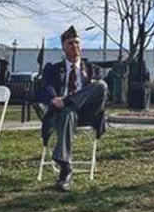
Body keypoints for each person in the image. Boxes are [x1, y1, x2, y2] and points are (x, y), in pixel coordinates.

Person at [37, 26, 107, 191]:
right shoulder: (52, 69)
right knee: (67, 112)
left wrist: (66, 100)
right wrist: (54, 98)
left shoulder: (92, 69)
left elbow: (99, 95)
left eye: (76, 42)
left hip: (88, 113)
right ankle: (65, 169)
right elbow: (45, 88)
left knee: (101, 85)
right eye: (70, 43)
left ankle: (69, 101)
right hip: (63, 114)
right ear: (63, 47)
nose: (74, 46)